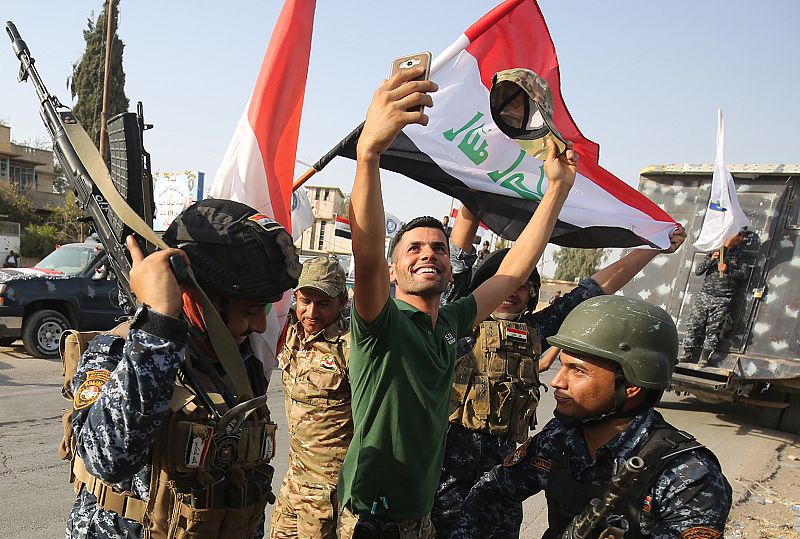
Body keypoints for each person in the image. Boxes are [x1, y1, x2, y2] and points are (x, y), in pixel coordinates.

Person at [337, 64, 578, 538]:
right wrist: (369, 153)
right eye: (414, 248)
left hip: (419, 517)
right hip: (372, 519)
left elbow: (511, 272)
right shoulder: (381, 323)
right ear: (394, 270)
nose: (428, 253)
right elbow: (365, 258)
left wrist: (558, 189)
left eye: (439, 248)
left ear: (450, 266)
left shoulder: (450, 323)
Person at [433, 209, 686, 538]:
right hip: (444, 480)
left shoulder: (534, 332)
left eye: (524, 287)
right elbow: (459, 258)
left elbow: (593, 290)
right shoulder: (454, 327)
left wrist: (652, 247)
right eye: (505, 284)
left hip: (504, 480)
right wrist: (471, 202)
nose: (514, 291)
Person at [64, 199, 300, 539]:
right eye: (249, 309)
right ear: (191, 294)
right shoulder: (121, 352)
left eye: (264, 307)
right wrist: (158, 325)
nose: (261, 325)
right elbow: (108, 459)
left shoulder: (239, 361)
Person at [451, 295, 733, 539]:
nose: (557, 382)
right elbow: (495, 491)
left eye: (577, 370)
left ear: (632, 385)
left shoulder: (688, 477)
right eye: (561, 367)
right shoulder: (559, 438)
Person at [270, 256, 351, 539]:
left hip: (327, 492)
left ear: (342, 302)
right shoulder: (288, 329)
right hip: (293, 480)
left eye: (324, 303)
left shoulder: (352, 348)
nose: (311, 312)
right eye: (305, 301)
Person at [681, 227, 750, 367]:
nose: (742, 239)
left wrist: (728, 270)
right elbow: (698, 271)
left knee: (713, 330)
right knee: (694, 325)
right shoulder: (716, 251)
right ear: (732, 234)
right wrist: (710, 260)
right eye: (741, 235)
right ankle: (687, 354)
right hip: (705, 296)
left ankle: (704, 358)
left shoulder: (739, 255)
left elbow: (744, 274)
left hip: (722, 298)